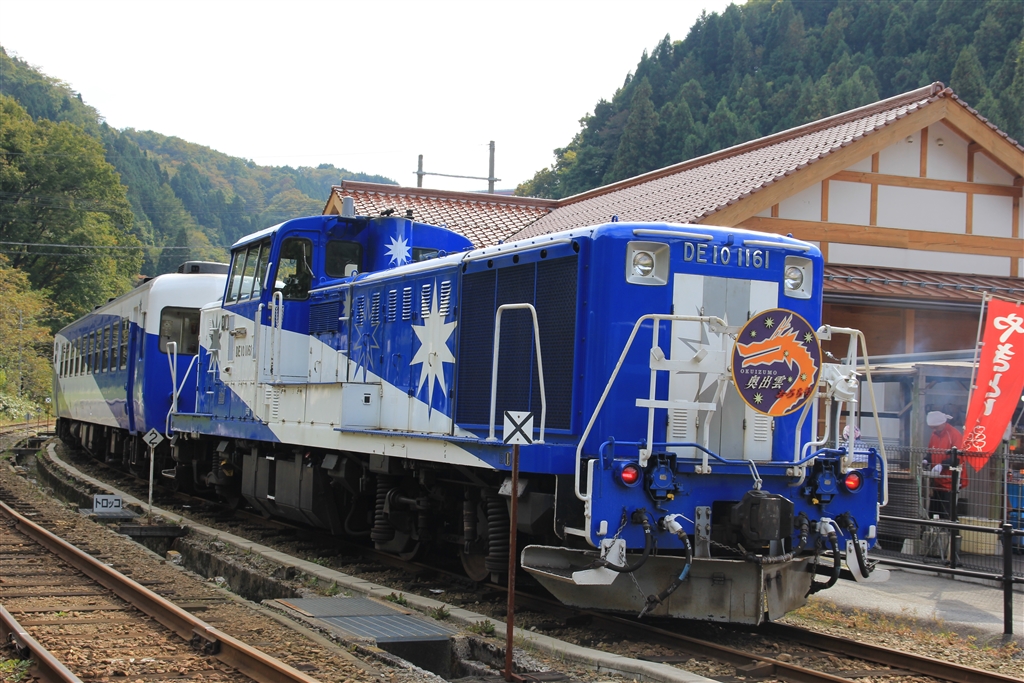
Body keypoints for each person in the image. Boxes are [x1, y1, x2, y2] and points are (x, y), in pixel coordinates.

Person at [923, 411, 966, 519]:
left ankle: (949, 529)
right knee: (933, 511)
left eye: (935, 427)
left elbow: (957, 457)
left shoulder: (954, 434)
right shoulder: (934, 434)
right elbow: (931, 452)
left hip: (950, 481)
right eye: (932, 427)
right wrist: (926, 460)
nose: (934, 429)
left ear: (943, 423)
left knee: (947, 513)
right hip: (937, 482)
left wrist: (942, 465)